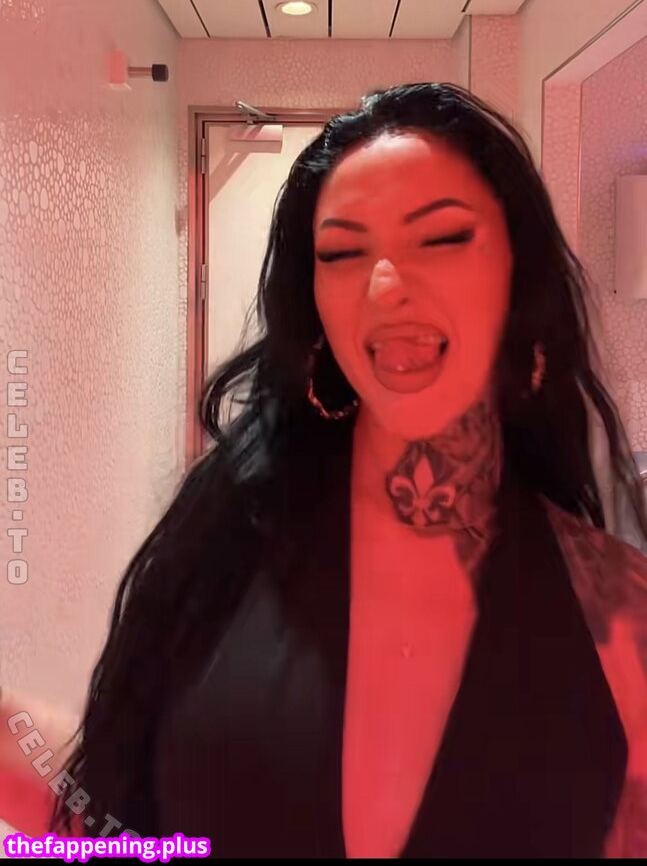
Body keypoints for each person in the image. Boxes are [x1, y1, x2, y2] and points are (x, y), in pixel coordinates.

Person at [2, 82, 646, 857]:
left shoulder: (621, 617)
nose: (384, 287)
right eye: (341, 253)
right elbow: (113, 822)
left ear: (519, 276)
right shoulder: (223, 540)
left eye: (441, 238)